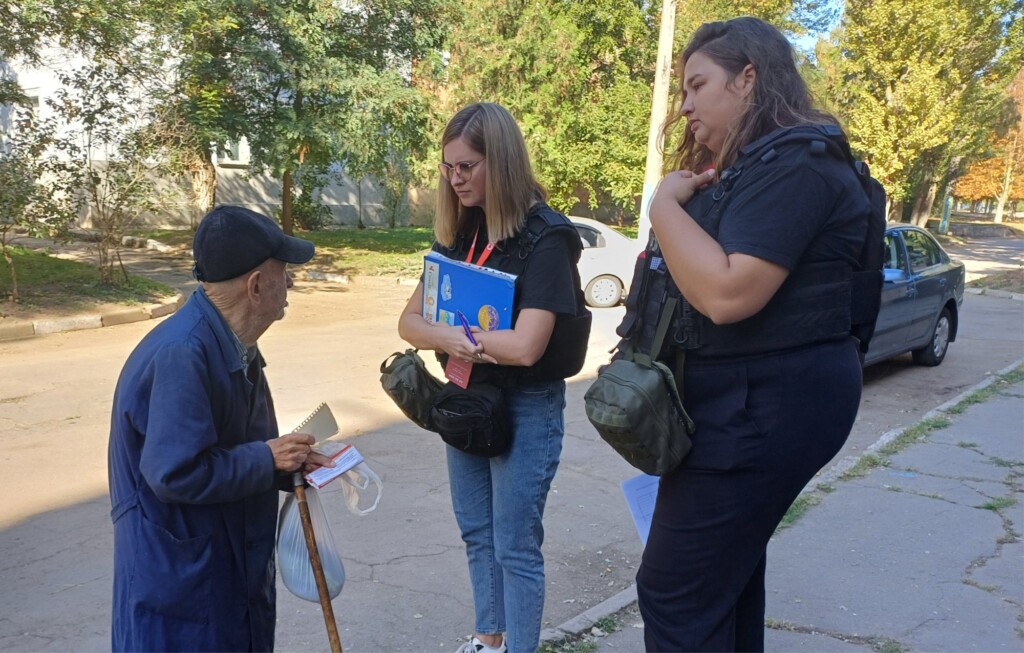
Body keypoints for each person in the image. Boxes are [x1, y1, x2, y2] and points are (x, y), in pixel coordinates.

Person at [633, 17, 874, 651]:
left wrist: (662, 206)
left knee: (675, 592)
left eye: (696, 85)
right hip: (747, 403)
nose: (684, 105)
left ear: (748, 78)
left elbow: (726, 293)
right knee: (723, 585)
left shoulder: (800, 163)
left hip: (762, 410)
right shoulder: (759, 166)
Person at [397, 102, 584, 653]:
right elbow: (409, 321)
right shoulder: (461, 231)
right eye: (448, 168)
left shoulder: (548, 237)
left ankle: (520, 647)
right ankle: (489, 640)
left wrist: (454, 338)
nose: (455, 181)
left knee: (515, 546)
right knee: (477, 532)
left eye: (467, 167)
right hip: (466, 398)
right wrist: (458, 341)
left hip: (526, 406)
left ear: (500, 161)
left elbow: (527, 347)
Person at [107, 205, 333, 652]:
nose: (289, 283)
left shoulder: (236, 343)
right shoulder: (183, 354)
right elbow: (176, 471)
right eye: (283, 272)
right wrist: (267, 458)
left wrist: (291, 464)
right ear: (255, 285)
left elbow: (242, 449)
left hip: (226, 567)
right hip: (183, 582)